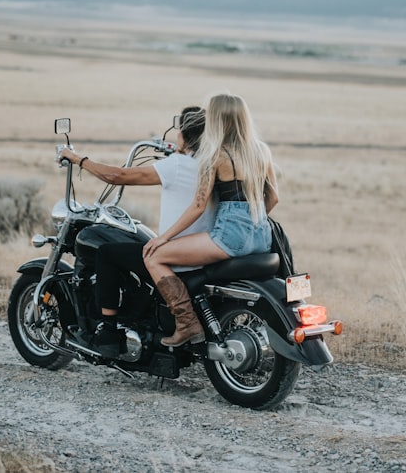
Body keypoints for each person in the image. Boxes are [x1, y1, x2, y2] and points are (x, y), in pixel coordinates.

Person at [57, 106, 215, 357]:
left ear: (183, 135)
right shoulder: (214, 165)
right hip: (205, 251)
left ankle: (108, 333)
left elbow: (116, 175)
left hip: (177, 256)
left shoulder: (177, 166)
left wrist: (79, 160)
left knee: (108, 253)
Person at [142, 92, 279, 347]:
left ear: (216, 119)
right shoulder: (261, 151)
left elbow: (198, 206)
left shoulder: (215, 155)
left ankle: (187, 325)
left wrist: (163, 238)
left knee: (154, 256)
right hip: (261, 236)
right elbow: (273, 198)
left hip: (229, 239)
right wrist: (249, 223)